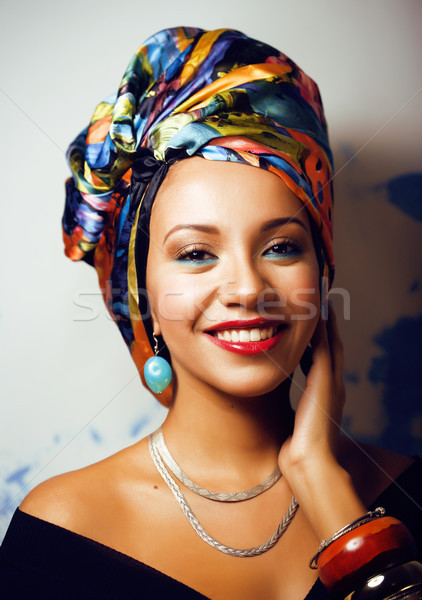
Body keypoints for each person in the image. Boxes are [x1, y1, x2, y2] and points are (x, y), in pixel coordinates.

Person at [1, 27, 421, 600]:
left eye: (282, 246)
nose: (248, 288)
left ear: (323, 271)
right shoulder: (62, 531)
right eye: (196, 254)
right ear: (140, 290)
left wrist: (323, 483)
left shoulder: (411, 489)